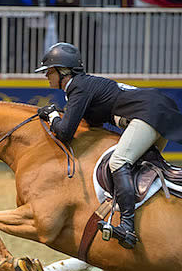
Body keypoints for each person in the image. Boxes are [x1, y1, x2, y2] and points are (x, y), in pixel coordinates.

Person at [35, 42, 182, 249]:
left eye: (49, 71)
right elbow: (89, 124)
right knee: (144, 167)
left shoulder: (78, 87)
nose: (46, 76)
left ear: (63, 72)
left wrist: (51, 116)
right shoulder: (85, 85)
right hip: (157, 108)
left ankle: (127, 227)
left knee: (119, 162)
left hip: (147, 113)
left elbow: (65, 132)